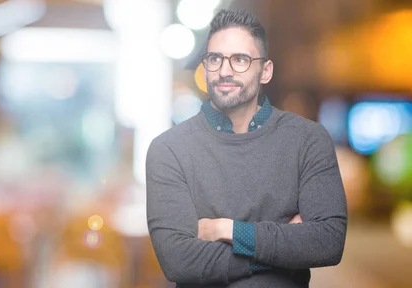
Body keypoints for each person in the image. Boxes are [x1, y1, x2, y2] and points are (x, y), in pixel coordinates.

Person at [145, 9, 347, 287]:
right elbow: (179, 262)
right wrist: (280, 252)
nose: (225, 70)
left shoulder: (308, 140)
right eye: (215, 59)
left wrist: (226, 229)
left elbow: (328, 242)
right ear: (205, 68)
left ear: (265, 71)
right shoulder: (169, 149)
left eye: (240, 59)